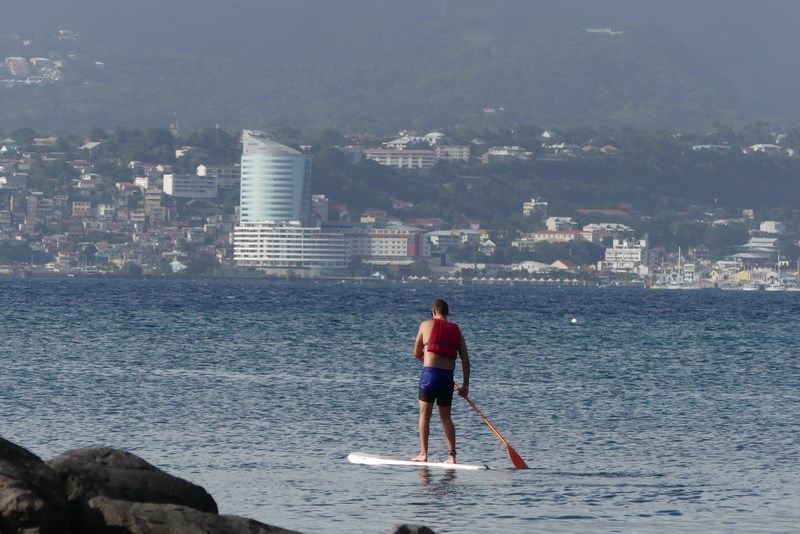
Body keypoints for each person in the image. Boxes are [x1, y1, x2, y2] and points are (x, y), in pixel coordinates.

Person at [411, 298, 470, 464]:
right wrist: (465, 385)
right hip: (447, 379)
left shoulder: (425, 325)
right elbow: (466, 361)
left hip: (430, 376)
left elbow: (416, 352)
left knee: (424, 415)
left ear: (434, 312)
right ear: (447, 313)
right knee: (446, 418)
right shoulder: (457, 332)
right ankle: (452, 456)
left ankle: (423, 454)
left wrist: (428, 360)